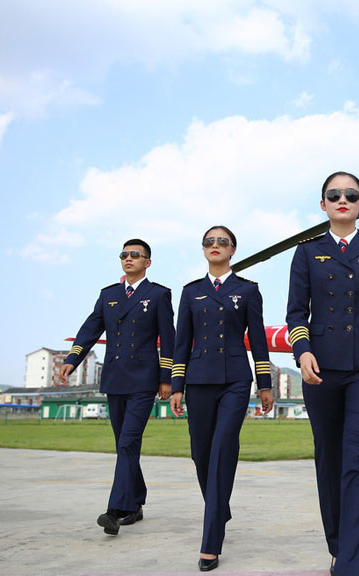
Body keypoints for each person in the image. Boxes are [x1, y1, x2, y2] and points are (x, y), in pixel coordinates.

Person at [286, 171, 359, 576]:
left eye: (351, 195)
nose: (342, 199)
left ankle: (351, 564)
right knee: (329, 459)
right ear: (323, 205)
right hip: (320, 369)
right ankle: (337, 544)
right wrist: (302, 351)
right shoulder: (307, 252)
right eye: (334, 194)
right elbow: (296, 312)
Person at [169, 225, 275, 572]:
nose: (215, 245)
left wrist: (264, 384)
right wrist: (177, 385)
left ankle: (211, 542)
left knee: (222, 451)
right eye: (209, 241)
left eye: (222, 241)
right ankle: (220, 508)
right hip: (199, 380)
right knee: (200, 454)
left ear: (233, 250)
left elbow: (258, 341)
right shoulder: (191, 292)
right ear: (204, 249)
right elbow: (181, 343)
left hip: (235, 380)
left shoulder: (247, 290)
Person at [60, 239, 174, 536]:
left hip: (143, 380)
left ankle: (115, 510)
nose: (128, 258)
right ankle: (135, 502)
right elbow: (90, 329)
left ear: (148, 262)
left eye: (135, 255)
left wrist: (167, 378)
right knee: (124, 444)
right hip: (115, 378)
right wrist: (72, 360)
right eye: (124, 254)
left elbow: (168, 338)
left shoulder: (158, 294)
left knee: (127, 442)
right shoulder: (108, 295)